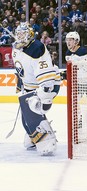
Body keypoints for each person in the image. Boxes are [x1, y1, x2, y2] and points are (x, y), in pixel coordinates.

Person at [12, 22, 61, 155]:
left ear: (30, 34)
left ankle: (47, 139)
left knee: (34, 109)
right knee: (26, 119)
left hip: (45, 85)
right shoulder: (16, 48)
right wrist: (20, 84)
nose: (20, 37)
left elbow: (46, 77)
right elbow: (21, 69)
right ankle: (34, 136)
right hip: (29, 87)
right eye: (19, 34)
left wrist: (45, 93)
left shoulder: (36, 48)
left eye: (24, 34)